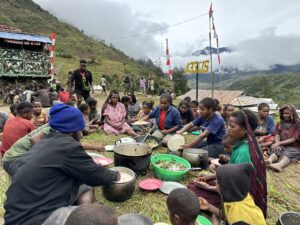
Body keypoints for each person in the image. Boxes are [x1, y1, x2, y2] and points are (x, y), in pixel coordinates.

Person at [4, 104, 120, 225]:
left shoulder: (46, 141)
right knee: (100, 218)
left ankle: (81, 211)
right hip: (33, 219)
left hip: (16, 214)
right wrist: (116, 176)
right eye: (80, 130)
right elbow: (98, 175)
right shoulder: (68, 147)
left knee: (85, 186)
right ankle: (81, 215)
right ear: (73, 130)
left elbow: (87, 172)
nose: (81, 134)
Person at [190, 109, 268, 218]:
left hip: (242, 199)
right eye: (228, 125)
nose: (227, 129)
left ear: (245, 129)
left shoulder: (243, 153)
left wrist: (207, 187)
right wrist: (210, 176)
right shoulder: (249, 143)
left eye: (232, 126)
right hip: (236, 188)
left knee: (193, 189)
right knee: (198, 185)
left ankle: (220, 212)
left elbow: (235, 191)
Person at [199, 164, 266, 225]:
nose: (215, 183)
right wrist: (208, 207)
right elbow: (228, 215)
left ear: (225, 187)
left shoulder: (239, 220)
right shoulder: (239, 197)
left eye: (217, 181)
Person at [266, 104, 300, 172]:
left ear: (292, 113)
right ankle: (269, 161)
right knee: (276, 150)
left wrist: (279, 143)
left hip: (295, 147)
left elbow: (293, 139)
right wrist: (277, 143)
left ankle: (279, 165)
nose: (285, 115)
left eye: (287, 113)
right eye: (283, 113)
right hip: (282, 145)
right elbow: (277, 135)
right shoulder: (279, 123)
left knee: (287, 153)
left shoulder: (298, 124)